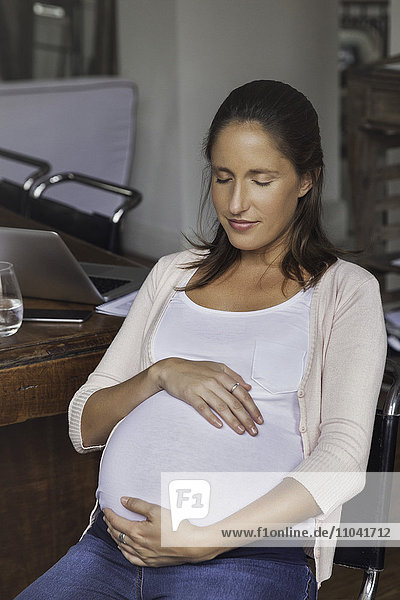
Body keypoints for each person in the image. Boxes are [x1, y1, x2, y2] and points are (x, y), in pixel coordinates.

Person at [15, 80, 387, 600]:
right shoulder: (171, 276)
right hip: (110, 550)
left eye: (261, 180)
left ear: (306, 180)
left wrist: (207, 539)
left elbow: (343, 460)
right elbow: (85, 423)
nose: (236, 203)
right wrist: (160, 374)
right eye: (223, 177)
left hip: (246, 560)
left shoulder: (344, 291)